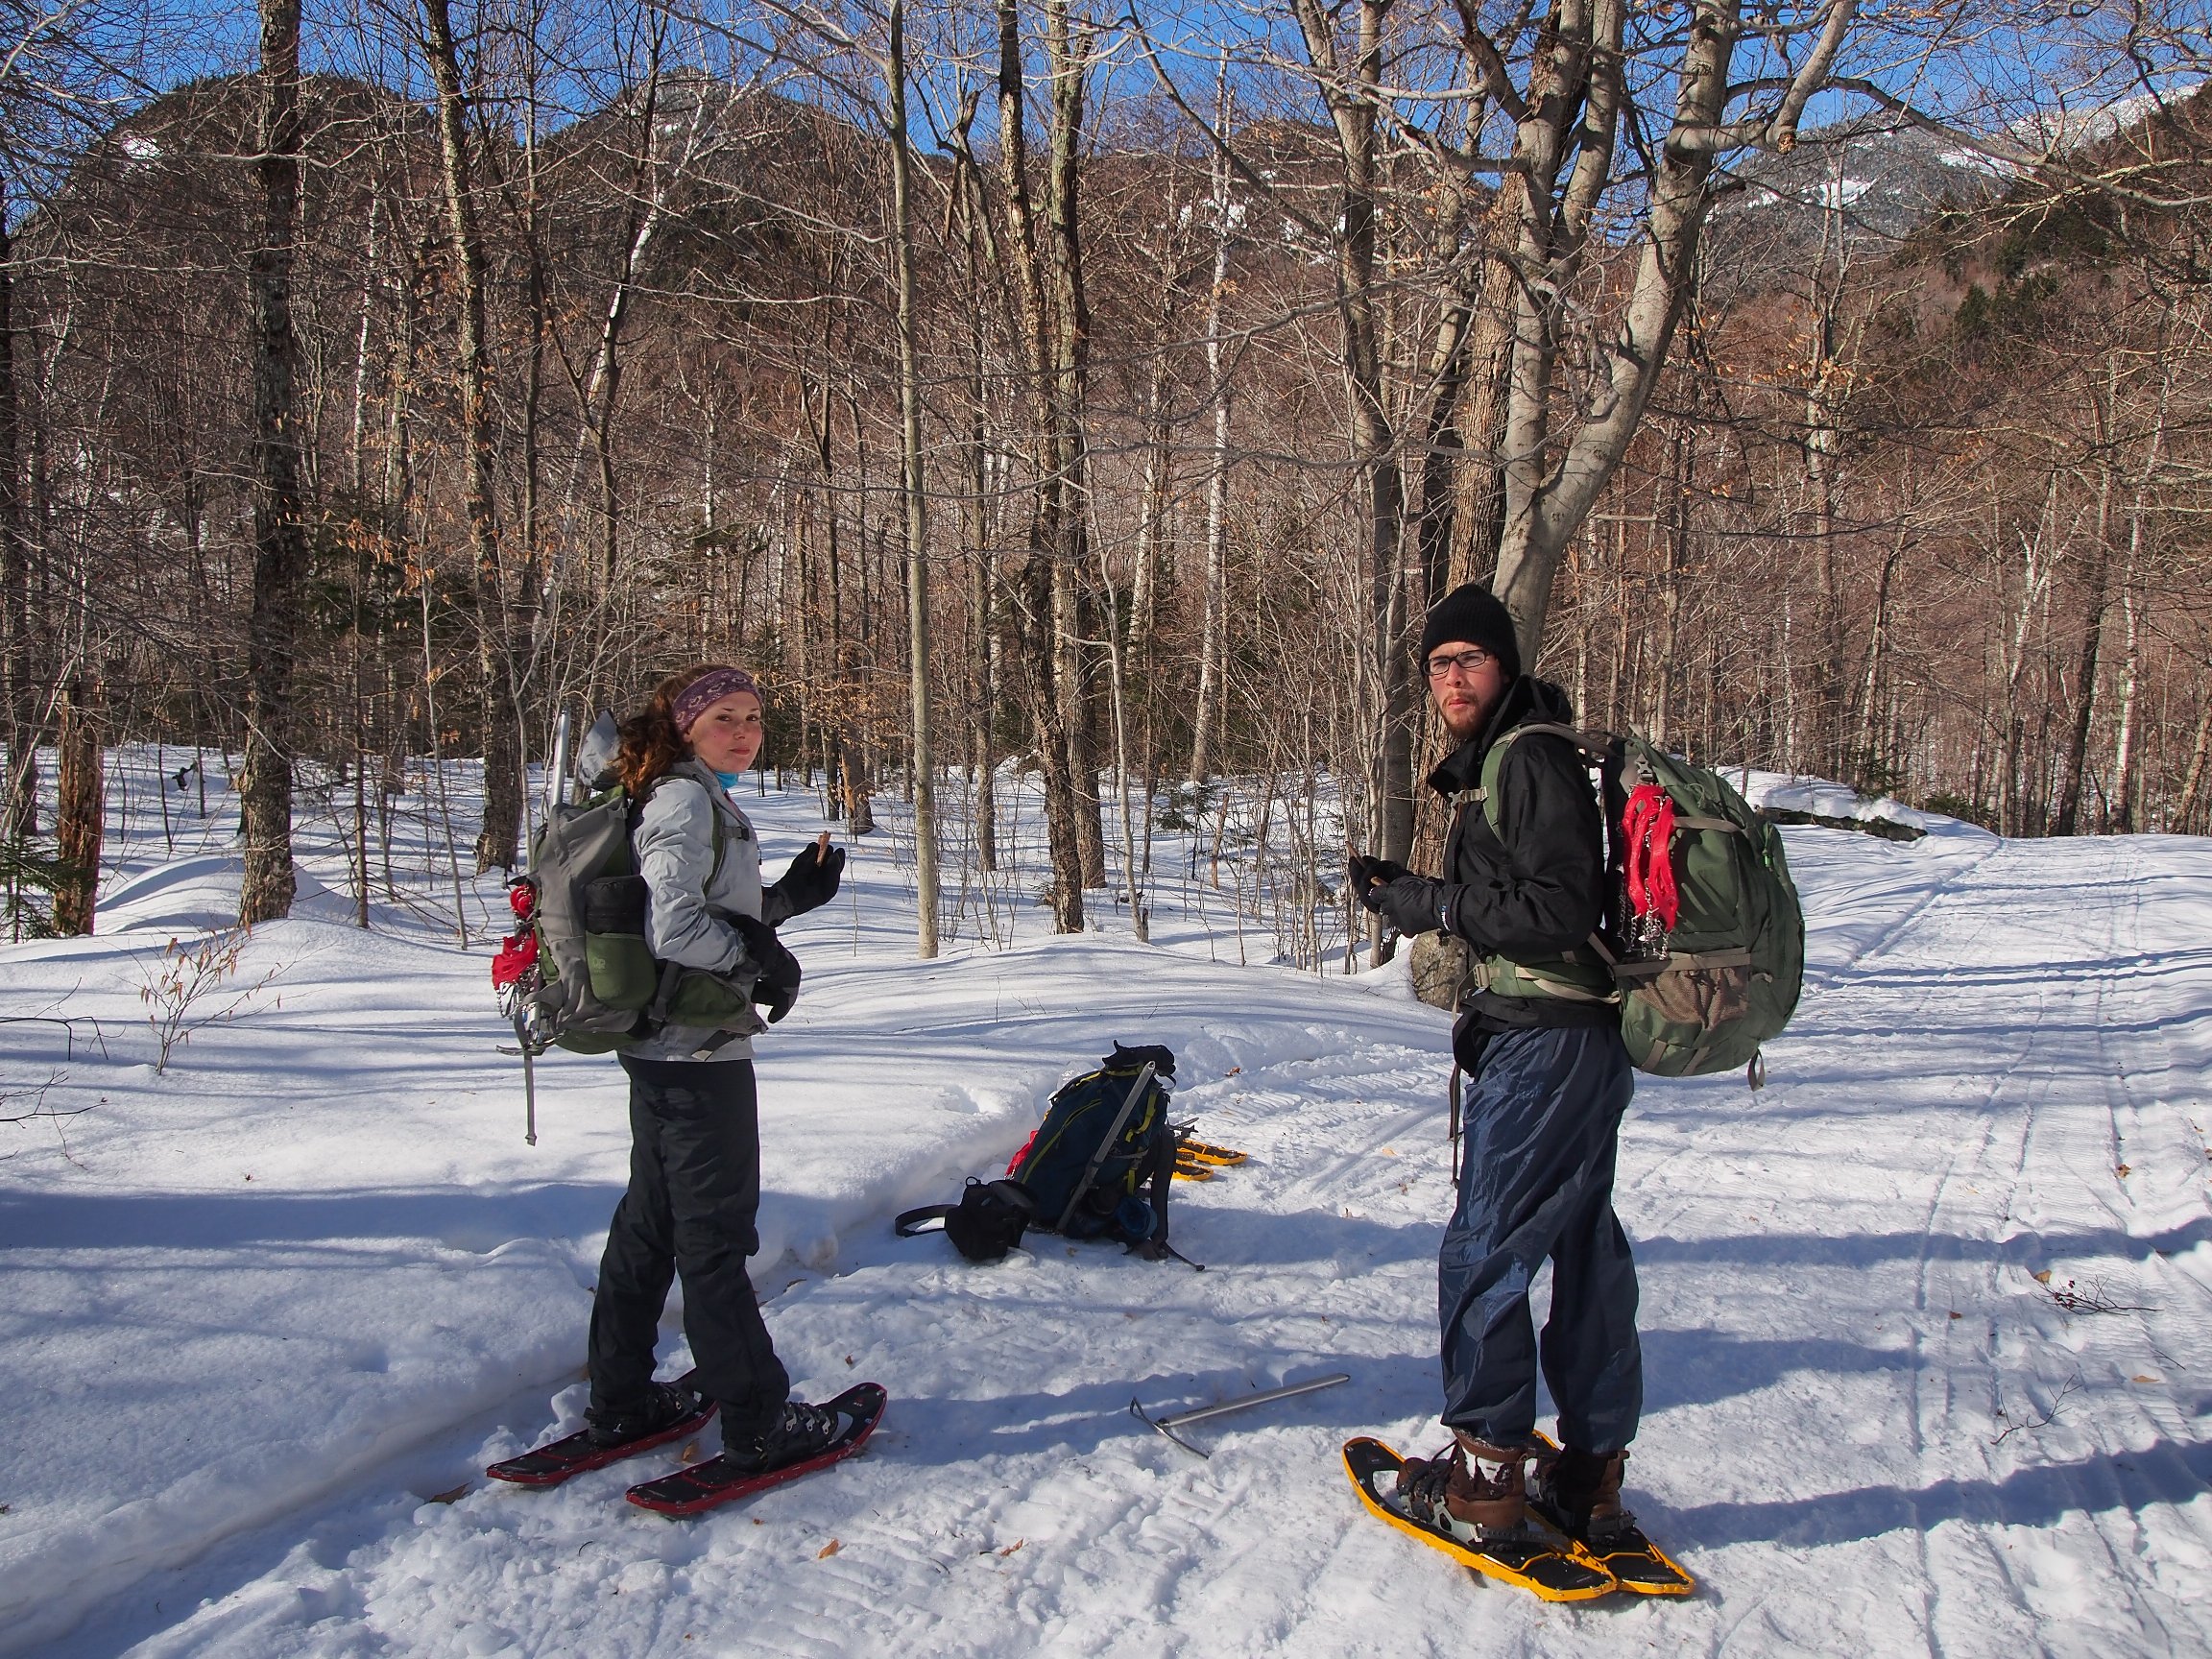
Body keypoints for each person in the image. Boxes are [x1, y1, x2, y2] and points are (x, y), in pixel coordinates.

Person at [1349, 584, 1643, 1553]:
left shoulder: (1527, 758)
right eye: (1438, 664)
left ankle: (1484, 1483)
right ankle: (1589, 1479)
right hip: (1576, 1042)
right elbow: (1529, 895)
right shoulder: (1519, 758)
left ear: (1506, 666)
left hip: (1544, 1045)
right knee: (1584, 1250)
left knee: (1485, 1254)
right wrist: (1419, 895)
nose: (1452, 679)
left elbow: (1557, 908)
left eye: (1469, 659)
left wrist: (1432, 904)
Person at [579, 662, 851, 1484]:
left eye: (754, 718)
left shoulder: (688, 792)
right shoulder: (683, 798)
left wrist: (787, 901)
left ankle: (622, 1401)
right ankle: (760, 1423)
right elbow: (676, 929)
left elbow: (710, 910)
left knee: (651, 1225)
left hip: (665, 1046)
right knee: (714, 1240)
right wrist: (756, 959)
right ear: (686, 724)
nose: (744, 733)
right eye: (724, 717)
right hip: (697, 1053)